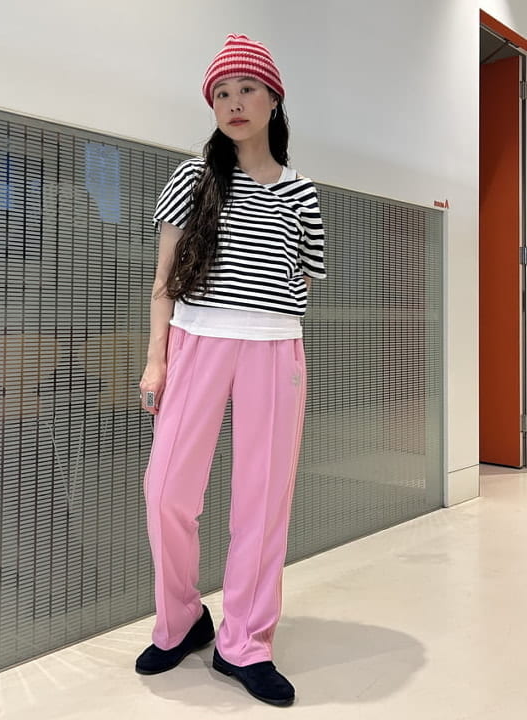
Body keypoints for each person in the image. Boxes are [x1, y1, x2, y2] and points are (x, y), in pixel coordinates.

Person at [135, 33, 326, 707]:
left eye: (247, 89)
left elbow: (301, 281)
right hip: (196, 343)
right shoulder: (193, 180)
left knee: (262, 503)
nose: (234, 102)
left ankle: (245, 641)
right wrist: (156, 360)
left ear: (274, 100)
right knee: (166, 492)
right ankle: (182, 618)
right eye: (221, 92)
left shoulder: (302, 193)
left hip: (275, 349)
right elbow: (164, 282)